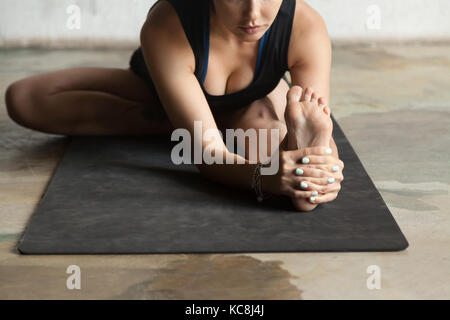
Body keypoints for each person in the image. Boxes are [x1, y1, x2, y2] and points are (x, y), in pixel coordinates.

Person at [4, 0, 344, 211]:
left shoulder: (305, 26)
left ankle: (291, 139)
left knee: (300, 174)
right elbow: (209, 159)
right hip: (154, 94)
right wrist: (264, 177)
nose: (253, 13)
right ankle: (185, 121)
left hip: (248, 105)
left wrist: (320, 168)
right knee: (24, 99)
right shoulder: (168, 23)